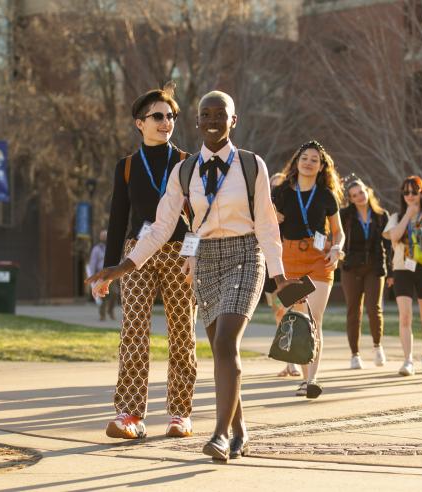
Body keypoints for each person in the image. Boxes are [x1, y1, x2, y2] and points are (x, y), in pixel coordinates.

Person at [88, 90, 293, 462]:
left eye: (221, 114)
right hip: (176, 253)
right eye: (206, 115)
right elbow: (147, 222)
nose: (166, 122)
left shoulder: (242, 164)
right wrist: (120, 265)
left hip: (222, 254)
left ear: (234, 120)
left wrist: (279, 277)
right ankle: (229, 427)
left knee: (208, 338)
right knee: (188, 342)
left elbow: (261, 223)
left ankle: (204, 425)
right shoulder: (168, 169)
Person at [97, 86, 196, 440]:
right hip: (136, 255)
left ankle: (180, 413)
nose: (165, 122)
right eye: (158, 116)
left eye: (170, 116)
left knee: (182, 332)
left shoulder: (187, 162)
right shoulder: (126, 167)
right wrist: (108, 270)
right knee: (133, 332)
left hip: (179, 252)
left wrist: (194, 254)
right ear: (140, 123)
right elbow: (116, 219)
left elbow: (197, 216)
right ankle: (130, 415)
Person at [273, 140, 344, 398]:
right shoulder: (282, 192)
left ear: (322, 165)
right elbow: (263, 221)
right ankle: (304, 379)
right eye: (305, 158)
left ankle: (312, 379)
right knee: (298, 318)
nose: (309, 162)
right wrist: (273, 215)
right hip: (289, 259)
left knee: (313, 318)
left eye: (315, 159)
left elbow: (338, 233)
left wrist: (336, 249)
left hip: (318, 260)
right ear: (297, 161)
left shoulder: (326, 195)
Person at [383, 176, 422, 376]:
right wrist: (407, 215)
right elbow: (393, 237)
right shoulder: (396, 216)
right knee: (405, 316)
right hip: (402, 268)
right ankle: (408, 359)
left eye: (414, 191)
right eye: (406, 192)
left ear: (421, 193)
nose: (410, 195)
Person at [339, 178, 391, 369]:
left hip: (374, 267)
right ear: (350, 199)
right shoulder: (345, 215)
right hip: (351, 268)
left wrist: (389, 270)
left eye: (361, 192)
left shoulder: (381, 215)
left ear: (367, 191)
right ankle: (355, 354)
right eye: (354, 195)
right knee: (353, 310)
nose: (359, 197)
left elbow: (388, 245)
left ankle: (377, 346)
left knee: (373, 308)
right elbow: (336, 235)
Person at [265, 172, 301, 379]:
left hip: (292, 269)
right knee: (280, 317)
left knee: (293, 315)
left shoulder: (293, 213)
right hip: (272, 274)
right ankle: (288, 362)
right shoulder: (264, 216)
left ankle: (294, 362)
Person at [88, 229, 117, 321]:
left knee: (115, 293)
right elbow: (92, 263)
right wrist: (93, 277)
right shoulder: (96, 249)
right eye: (103, 236)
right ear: (100, 237)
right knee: (102, 295)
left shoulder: (113, 248)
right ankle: (102, 314)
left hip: (112, 274)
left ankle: (110, 310)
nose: (104, 238)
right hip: (101, 275)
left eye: (106, 236)